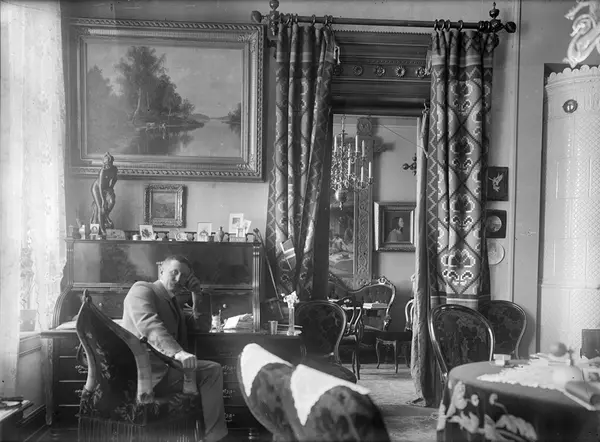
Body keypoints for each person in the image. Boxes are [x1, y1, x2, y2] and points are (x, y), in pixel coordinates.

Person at [121, 255, 228, 442]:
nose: (179, 279)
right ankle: (213, 438)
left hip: (167, 370)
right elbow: (149, 324)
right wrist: (178, 353)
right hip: (146, 375)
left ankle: (211, 436)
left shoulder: (174, 304)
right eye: (174, 272)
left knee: (213, 369)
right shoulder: (142, 289)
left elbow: (201, 326)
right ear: (161, 270)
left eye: (184, 276)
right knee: (211, 371)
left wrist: (197, 294)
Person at [90, 152, 118, 234]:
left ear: (111, 163)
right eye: (105, 164)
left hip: (106, 187)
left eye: (109, 164)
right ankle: (102, 229)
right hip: (97, 188)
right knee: (100, 207)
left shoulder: (114, 169)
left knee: (112, 201)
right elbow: (100, 187)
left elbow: (115, 179)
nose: (107, 166)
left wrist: (111, 187)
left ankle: (105, 216)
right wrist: (103, 200)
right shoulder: (103, 171)